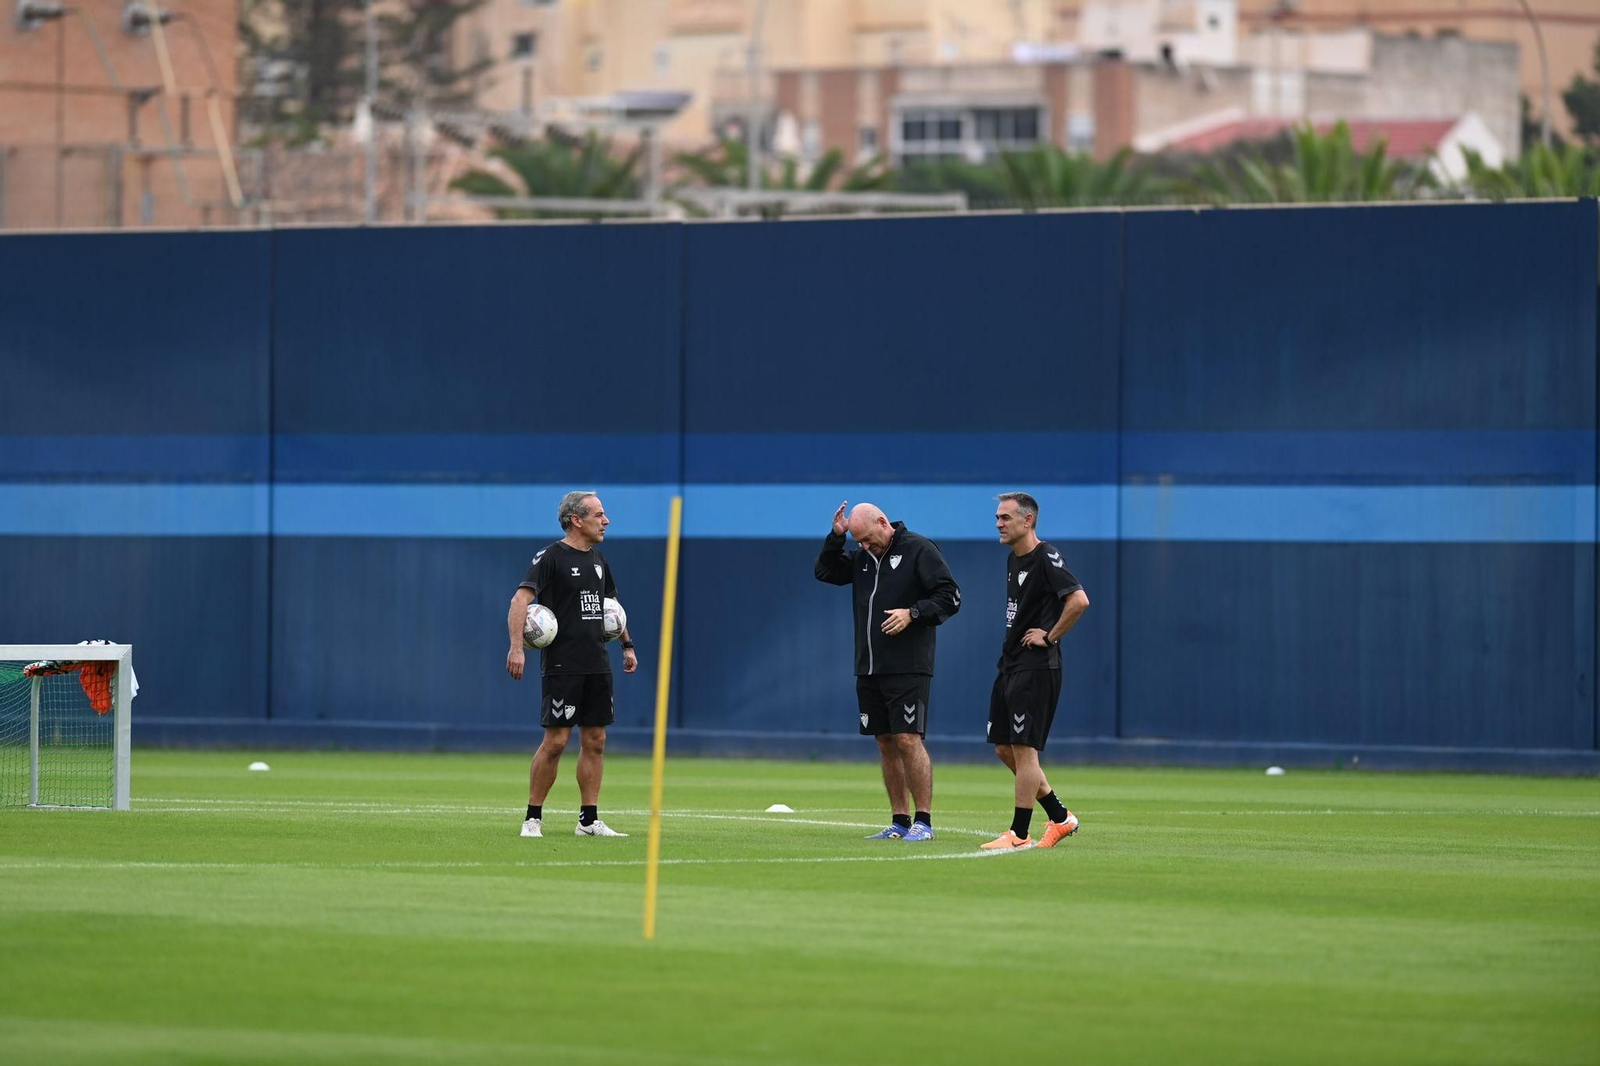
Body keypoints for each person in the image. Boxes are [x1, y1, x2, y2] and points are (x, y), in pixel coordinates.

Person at [816, 501, 961, 842]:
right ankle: (899, 821)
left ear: (883, 522)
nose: (865, 546)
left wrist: (913, 613)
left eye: (868, 538)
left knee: (908, 738)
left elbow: (951, 597)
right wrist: (836, 537)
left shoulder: (919, 549)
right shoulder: (863, 557)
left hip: (908, 665)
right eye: (859, 542)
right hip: (869, 665)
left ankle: (923, 822)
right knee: (884, 741)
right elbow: (825, 572)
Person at [506, 491, 637, 839]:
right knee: (556, 742)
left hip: (597, 662)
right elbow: (520, 600)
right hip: (563, 664)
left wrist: (627, 645)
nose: (606, 521)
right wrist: (517, 648)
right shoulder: (550, 557)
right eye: (598, 514)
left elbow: (611, 607)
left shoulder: (599, 559)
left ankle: (588, 820)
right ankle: (533, 818)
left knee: (596, 739)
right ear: (576, 520)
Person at [980, 492, 1090, 851]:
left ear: (1027, 521)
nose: (998, 523)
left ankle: (1019, 833)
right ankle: (1060, 816)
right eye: (997, 517)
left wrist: (1050, 636)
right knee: (1004, 748)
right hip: (1011, 663)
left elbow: (1078, 600)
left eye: (1005, 517)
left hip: (1036, 667)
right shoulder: (1014, 559)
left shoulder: (1047, 556)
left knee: (1025, 750)